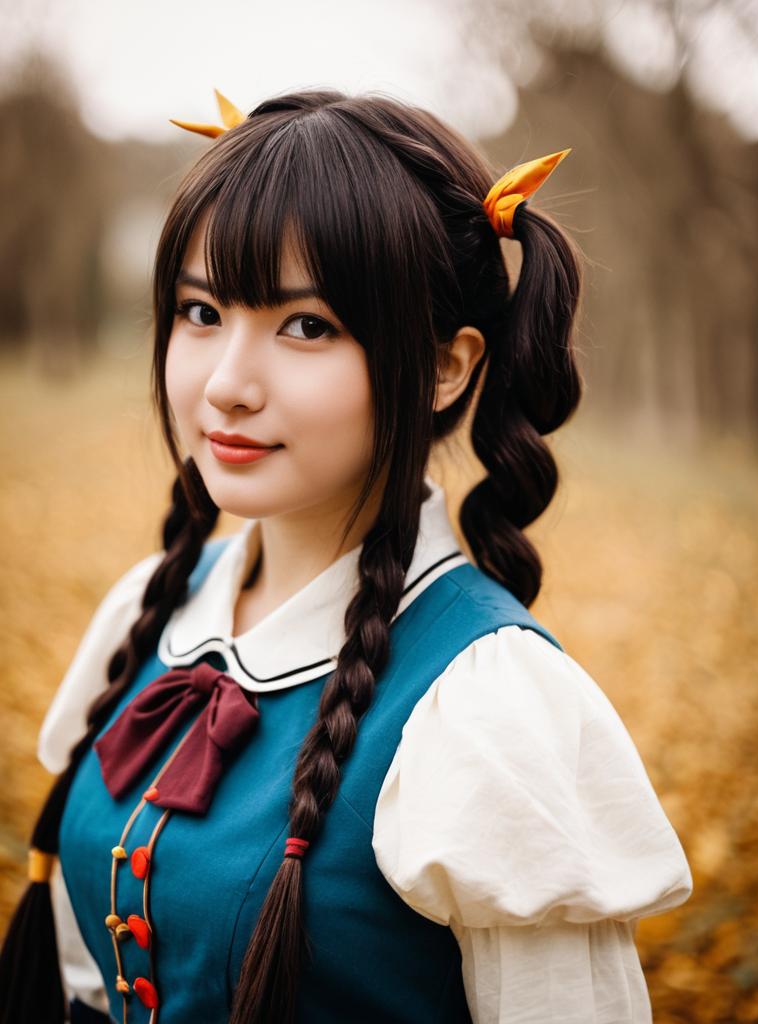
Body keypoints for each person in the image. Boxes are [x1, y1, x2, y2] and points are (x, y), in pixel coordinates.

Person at [0, 87, 692, 1024]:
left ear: (448, 364)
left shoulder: (485, 703)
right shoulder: (145, 614)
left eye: (306, 326)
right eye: (202, 312)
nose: (228, 385)